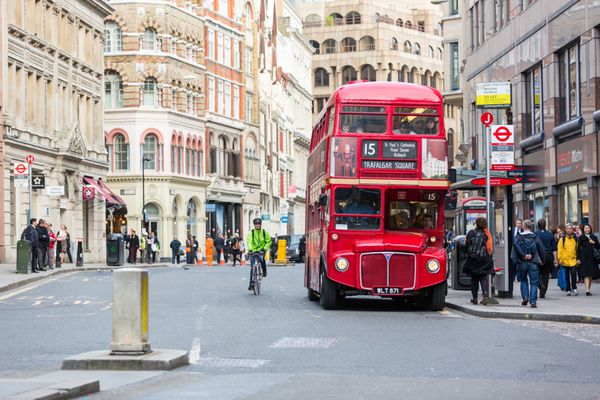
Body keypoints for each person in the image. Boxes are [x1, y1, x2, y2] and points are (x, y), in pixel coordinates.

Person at [512, 220, 545, 308]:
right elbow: (541, 249)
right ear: (531, 227)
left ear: (523, 226)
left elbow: (515, 246)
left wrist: (523, 255)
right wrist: (542, 260)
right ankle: (533, 301)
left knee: (523, 280)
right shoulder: (535, 237)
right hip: (533, 261)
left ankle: (525, 298)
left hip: (522, 262)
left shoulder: (518, 237)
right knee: (534, 282)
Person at [463, 217, 494, 305]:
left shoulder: (471, 233)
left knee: (474, 278)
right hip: (484, 259)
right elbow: (489, 247)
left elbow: (467, 245)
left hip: (473, 258)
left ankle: (475, 298)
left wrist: (467, 254)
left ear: (476, 223)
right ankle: (485, 295)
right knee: (483, 277)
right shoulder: (487, 233)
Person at [246, 218, 271, 290]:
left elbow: (268, 241)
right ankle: (251, 283)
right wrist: (250, 250)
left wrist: (264, 249)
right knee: (252, 266)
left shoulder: (264, 232)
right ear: (254, 225)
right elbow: (249, 241)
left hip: (261, 250)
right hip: (253, 251)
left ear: (260, 224)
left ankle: (264, 271)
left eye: (258, 224)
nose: (257, 225)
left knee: (261, 258)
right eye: (256, 224)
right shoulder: (251, 232)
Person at [535, 219, 558, 299]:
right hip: (548, 256)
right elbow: (554, 248)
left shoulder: (535, 234)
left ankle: (540, 285)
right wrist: (555, 259)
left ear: (538, 225)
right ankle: (543, 293)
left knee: (536, 273)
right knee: (546, 274)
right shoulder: (550, 235)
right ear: (545, 225)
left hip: (538, 256)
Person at [576, 224, 599, 296]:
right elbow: (578, 249)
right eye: (585, 228)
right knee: (586, 274)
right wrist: (578, 258)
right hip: (584, 257)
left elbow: (598, 246)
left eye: (588, 228)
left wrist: (594, 242)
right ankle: (587, 290)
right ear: (583, 230)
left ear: (590, 229)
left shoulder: (594, 237)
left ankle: (588, 288)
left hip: (592, 257)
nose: (587, 229)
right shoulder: (581, 237)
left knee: (590, 274)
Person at [557, 224, 578, 296]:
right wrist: (560, 259)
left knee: (573, 273)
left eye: (570, 228)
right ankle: (568, 289)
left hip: (573, 259)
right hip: (565, 260)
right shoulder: (562, 239)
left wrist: (577, 258)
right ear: (565, 230)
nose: (569, 230)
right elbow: (560, 249)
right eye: (568, 228)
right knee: (566, 275)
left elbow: (577, 249)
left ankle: (574, 288)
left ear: (572, 229)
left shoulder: (575, 238)